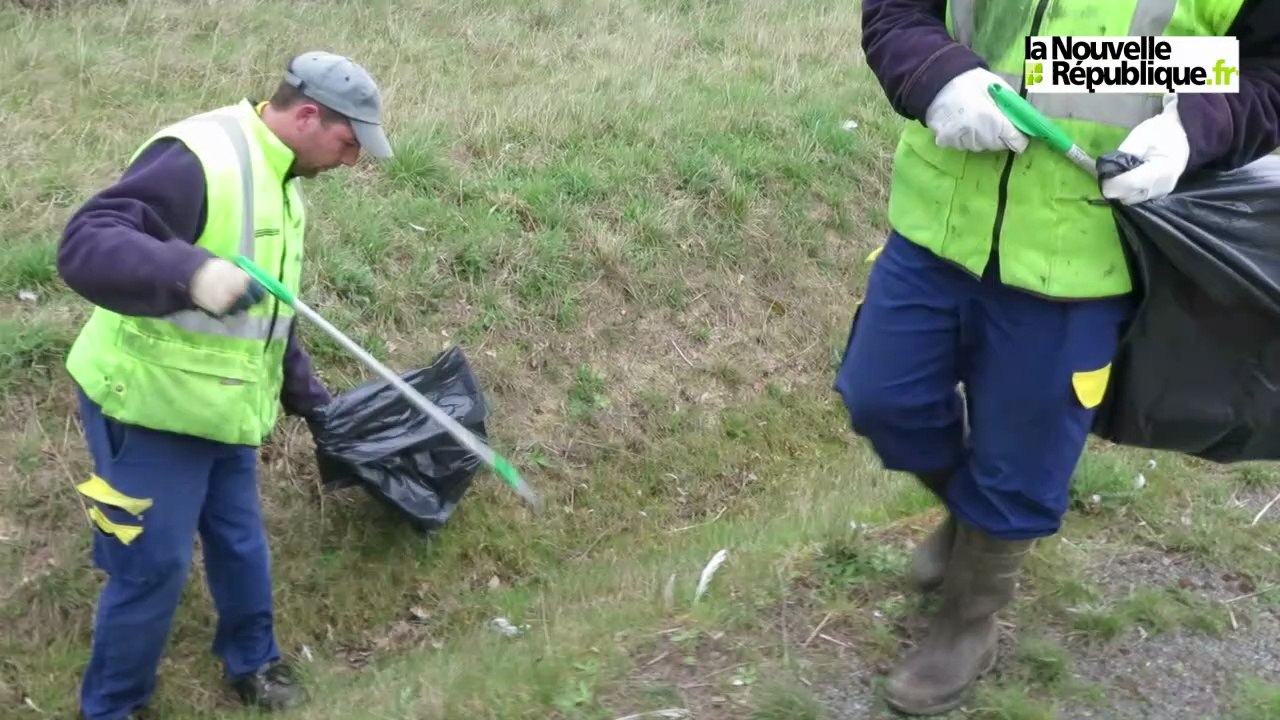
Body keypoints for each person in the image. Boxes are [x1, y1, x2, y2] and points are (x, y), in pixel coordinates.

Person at [840, 1, 1280, 716]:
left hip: (1083, 252)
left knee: (1024, 461)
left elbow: (1265, 74)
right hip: (936, 222)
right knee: (880, 397)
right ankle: (971, 514)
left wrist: (1190, 131)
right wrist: (940, 76)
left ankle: (968, 620)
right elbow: (898, 11)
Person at [56, 51, 393, 720]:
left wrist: (310, 400)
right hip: (144, 409)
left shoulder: (284, 182)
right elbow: (86, 243)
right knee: (150, 568)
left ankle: (254, 665)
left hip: (224, 412)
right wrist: (192, 274)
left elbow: (268, 316)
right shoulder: (200, 155)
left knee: (240, 543)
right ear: (306, 115)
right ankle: (113, 707)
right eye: (349, 142)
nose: (352, 161)